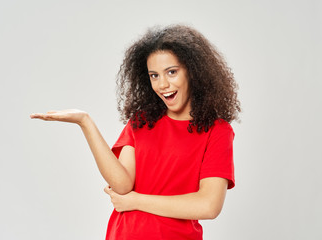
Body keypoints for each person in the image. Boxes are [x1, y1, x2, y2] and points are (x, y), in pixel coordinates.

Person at [30, 24, 241, 240]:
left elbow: (208, 205)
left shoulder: (217, 131)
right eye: (154, 75)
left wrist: (135, 201)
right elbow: (122, 186)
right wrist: (85, 122)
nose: (163, 84)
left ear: (193, 71)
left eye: (172, 72)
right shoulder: (141, 122)